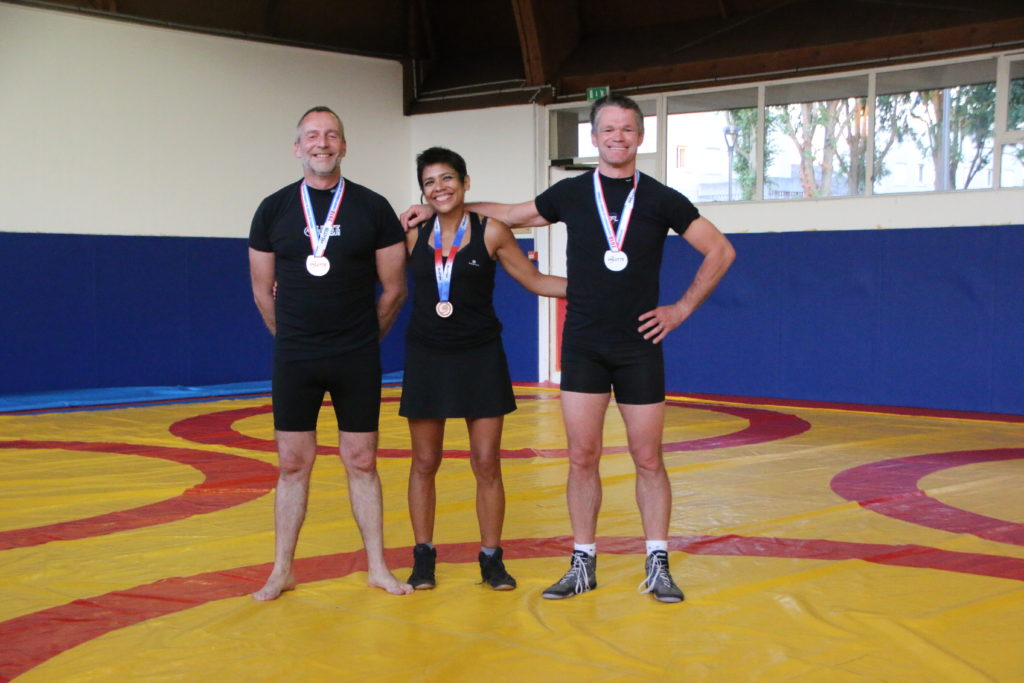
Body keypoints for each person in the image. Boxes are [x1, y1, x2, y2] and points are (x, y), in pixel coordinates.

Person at [401, 95, 735, 603]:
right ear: (594, 138)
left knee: (648, 457)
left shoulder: (663, 198)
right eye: (608, 130)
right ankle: (583, 563)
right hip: (582, 343)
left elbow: (720, 249)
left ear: (640, 138)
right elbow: (513, 213)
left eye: (627, 130)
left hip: (639, 343)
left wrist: (680, 309)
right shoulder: (573, 192)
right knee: (582, 456)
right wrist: (443, 207)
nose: (617, 137)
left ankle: (658, 563)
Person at [248, 106, 413, 600]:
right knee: (292, 463)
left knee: (362, 460)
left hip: (355, 355)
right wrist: (292, 340)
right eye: (312, 136)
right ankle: (282, 570)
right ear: (298, 147)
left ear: (344, 145)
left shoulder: (372, 208)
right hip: (296, 357)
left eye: (332, 135)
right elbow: (262, 290)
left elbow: (394, 288)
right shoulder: (273, 209)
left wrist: (363, 340)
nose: (323, 143)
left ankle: (378, 567)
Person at [401, 147, 566, 591]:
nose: (440, 187)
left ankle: (491, 559)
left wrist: (598, 289)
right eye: (431, 181)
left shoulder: (491, 231)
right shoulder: (412, 233)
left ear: (466, 182)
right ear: (423, 191)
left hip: (479, 355)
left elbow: (534, 281)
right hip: (427, 355)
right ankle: (423, 558)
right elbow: (365, 267)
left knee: (487, 462)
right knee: (423, 462)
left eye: (448, 178)